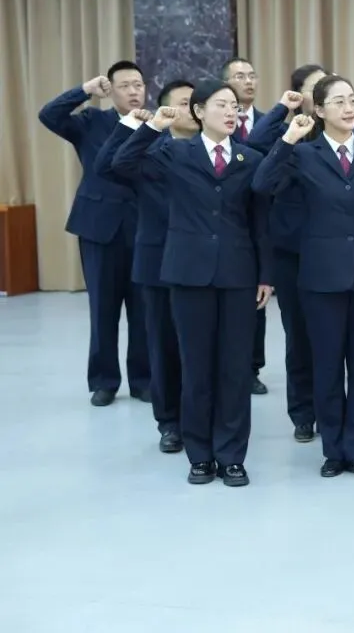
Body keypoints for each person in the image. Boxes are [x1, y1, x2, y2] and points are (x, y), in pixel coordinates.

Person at [112, 80, 273, 487]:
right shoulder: (175, 152)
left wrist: (266, 276)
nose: (232, 112)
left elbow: (260, 221)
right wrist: (153, 126)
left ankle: (232, 457)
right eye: (222, 105)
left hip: (238, 274)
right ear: (199, 111)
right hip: (188, 274)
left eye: (235, 106)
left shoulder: (249, 158)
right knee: (197, 367)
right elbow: (122, 163)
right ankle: (200, 456)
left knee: (234, 370)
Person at [253, 75, 354, 481]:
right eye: (338, 101)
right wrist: (288, 139)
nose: (349, 107)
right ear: (318, 110)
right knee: (327, 366)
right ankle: (334, 449)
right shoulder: (304, 154)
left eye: (352, 100)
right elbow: (262, 184)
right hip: (320, 277)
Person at [38, 61, 151, 407]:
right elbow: (49, 115)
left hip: (143, 228)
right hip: (99, 227)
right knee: (102, 307)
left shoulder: (154, 125)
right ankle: (103, 381)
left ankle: (144, 380)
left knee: (144, 310)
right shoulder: (92, 122)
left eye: (139, 84)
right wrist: (84, 91)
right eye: (125, 85)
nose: (134, 91)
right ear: (111, 90)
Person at [94, 79, 197, 453]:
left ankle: (203, 419)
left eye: (195, 102)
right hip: (158, 263)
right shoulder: (150, 150)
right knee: (164, 345)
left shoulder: (216, 150)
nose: (190, 109)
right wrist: (138, 126)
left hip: (203, 263)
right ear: (165, 109)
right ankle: (170, 423)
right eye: (182, 103)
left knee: (202, 348)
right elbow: (106, 166)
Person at [223, 56, 270, 396]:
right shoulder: (213, 126)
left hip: (260, 215)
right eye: (239, 77)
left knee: (257, 300)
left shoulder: (270, 122)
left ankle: (253, 367)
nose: (248, 81)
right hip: (226, 216)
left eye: (252, 76)